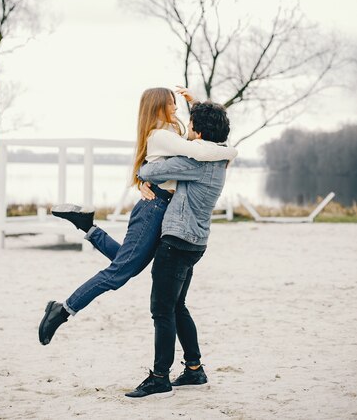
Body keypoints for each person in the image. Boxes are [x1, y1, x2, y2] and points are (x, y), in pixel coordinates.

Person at [38, 87, 237, 346]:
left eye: (177, 103)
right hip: (153, 207)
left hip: (163, 208)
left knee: (129, 264)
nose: (176, 107)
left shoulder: (172, 132)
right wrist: (231, 152)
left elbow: (207, 133)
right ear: (157, 107)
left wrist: (196, 104)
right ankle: (63, 309)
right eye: (171, 103)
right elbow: (200, 149)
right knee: (119, 272)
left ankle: (88, 227)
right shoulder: (161, 135)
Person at [124, 100, 232, 399]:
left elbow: (152, 169)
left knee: (161, 310)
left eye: (191, 128)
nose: (188, 133)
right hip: (196, 242)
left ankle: (160, 377)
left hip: (177, 241)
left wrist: (142, 178)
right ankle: (194, 369)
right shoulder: (220, 159)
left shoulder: (195, 163)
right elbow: (214, 133)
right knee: (177, 306)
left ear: (198, 134)